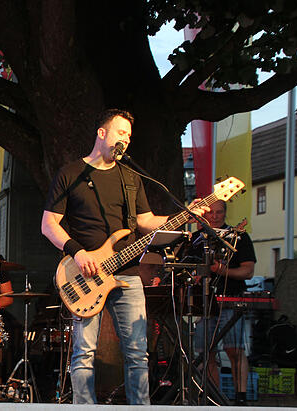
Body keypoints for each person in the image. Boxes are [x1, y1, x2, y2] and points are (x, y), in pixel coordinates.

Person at [40, 109, 207, 404]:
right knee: (84, 352)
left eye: (129, 135)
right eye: (120, 132)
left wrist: (186, 214)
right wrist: (77, 253)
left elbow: (147, 221)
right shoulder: (71, 174)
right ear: (102, 133)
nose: (126, 140)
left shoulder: (130, 177)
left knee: (137, 354)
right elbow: (49, 224)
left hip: (127, 274)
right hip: (85, 274)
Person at [191, 200, 256, 405]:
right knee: (205, 352)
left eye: (220, 212)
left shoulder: (239, 237)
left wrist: (222, 271)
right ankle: (213, 397)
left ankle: (241, 397)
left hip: (231, 300)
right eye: (211, 213)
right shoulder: (195, 240)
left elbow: (248, 270)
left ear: (225, 213)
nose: (215, 216)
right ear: (204, 215)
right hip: (203, 301)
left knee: (235, 349)